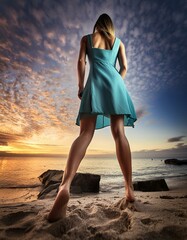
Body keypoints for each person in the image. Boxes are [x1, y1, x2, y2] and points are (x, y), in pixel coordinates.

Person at [47, 13, 137, 222]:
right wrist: (116, 82)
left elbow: (81, 62)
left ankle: (65, 186)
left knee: (85, 133)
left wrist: (80, 86)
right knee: (119, 133)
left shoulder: (86, 39)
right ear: (110, 26)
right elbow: (124, 67)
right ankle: (129, 188)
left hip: (94, 84)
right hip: (115, 86)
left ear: (96, 25)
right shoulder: (119, 42)